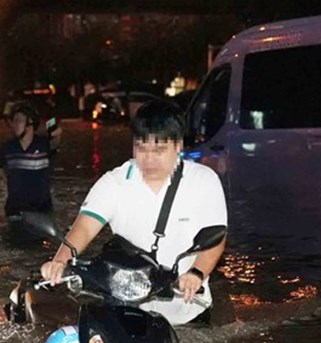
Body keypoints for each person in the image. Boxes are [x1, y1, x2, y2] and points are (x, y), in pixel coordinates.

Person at [41, 100, 227, 325]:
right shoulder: (115, 182)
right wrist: (60, 262)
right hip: (126, 308)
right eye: (141, 148)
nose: (149, 159)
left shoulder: (203, 181)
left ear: (178, 146)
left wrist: (196, 273)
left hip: (187, 312)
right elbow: (85, 227)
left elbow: (215, 238)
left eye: (159, 150)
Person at [0, 102, 61, 219]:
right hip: (15, 209)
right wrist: (8, 178)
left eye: (19, 121)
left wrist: (56, 133)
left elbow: (55, 143)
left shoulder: (43, 145)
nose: (15, 125)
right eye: (13, 121)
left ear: (30, 123)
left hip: (41, 209)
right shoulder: (8, 147)